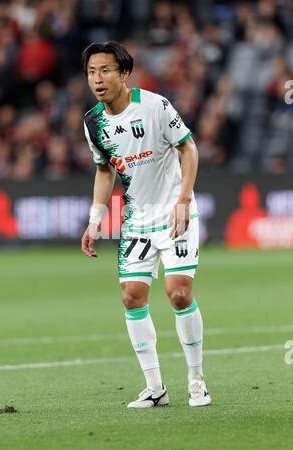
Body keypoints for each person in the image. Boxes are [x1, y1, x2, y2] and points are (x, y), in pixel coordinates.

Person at [81, 41, 211, 409]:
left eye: (105, 70)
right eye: (91, 72)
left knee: (179, 293)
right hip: (137, 219)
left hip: (175, 210)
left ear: (124, 73)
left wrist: (184, 197)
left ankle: (196, 379)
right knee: (131, 296)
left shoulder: (154, 105)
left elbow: (188, 148)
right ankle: (155, 388)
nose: (97, 79)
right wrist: (95, 219)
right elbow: (104, 170)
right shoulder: (94, 122)